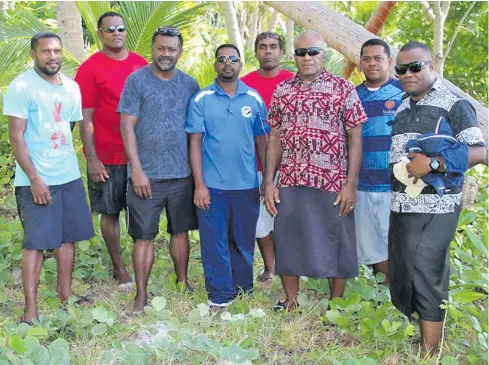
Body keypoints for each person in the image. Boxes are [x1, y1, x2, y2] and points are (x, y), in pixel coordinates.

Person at [389, 41, 486, 353]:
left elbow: (479, 151)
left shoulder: (454, 104)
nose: (407, 74)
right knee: (407, 271)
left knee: (427, 273)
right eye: (401, 69)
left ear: (431, 66)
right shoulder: (403, 106)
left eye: (415, 67)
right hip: (403, 204)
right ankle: (424, 339)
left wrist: (432, 164)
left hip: (437, 207)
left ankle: (432, 353)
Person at [264, 31, 367, 311]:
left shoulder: (344, 89)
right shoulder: (282, 90)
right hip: (290, 178)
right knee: (288, 238)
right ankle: (291, 300)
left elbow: (356, 138)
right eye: (300, 52)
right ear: (293, 56)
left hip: (332, 181)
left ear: (325, 54)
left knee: (337, 241)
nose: (306, 57)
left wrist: (351, 184)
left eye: (312, 52)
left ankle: (336, 305)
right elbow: (274, 137)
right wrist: (269, 182)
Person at [3, 32, 95, 324]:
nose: (52, 56)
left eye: (56, 51)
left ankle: (65, 295)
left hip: (68, 176)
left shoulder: (71, 88)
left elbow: (66, 127)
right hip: (36, 179)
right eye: (46, 51)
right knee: (35, 243)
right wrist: (34, 178)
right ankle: (30, 312)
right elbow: (16, 137)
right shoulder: (22, 87)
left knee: (67, 238)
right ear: (33, 54)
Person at [118, 27, 200, 315]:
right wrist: (137, 170)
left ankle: (182, 281)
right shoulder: (137, 80)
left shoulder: (190, 84)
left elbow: (196, 131)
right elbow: (126, 125)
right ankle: (140, 296)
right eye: (161, 48)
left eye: (172, 49)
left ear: (180, 51)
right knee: (144, 236)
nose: (166, 53)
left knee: (181, 233)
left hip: (181, 175)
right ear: (152, 49)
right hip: (146, 176)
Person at [186, 44, 268, 312]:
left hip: (246, 185)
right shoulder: (201, 99)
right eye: (222, 59)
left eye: (233, 59)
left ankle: (243, 289)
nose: (227, 63)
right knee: (214, 242)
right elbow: (195, 144)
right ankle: (220, 295)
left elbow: (262, 141)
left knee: (243, 240)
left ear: (241, 64)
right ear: (215, 65)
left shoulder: (254, 99)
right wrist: (199, 185)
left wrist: (267, 180)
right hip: (212, 187)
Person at [74, 12, 147, 288]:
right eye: (109, 29)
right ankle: (119, 268)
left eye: (120, 28)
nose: (116, 33)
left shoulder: (140, 64)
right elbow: (86, 117)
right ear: (101, 34)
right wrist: (92, 158)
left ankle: (142, 261)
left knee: (140, 212)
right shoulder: (90, 69)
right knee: (111, 211)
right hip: (107, 155)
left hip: (139, 155)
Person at [241, 32, 294, 282]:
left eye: (274, 47)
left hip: (292, 165)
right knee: (260, 220)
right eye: (263, 47)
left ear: (282, 52)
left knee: (289, 219)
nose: (268, 51)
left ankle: (290, 267)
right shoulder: (244, 84)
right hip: (255, 164)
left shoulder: (294, 82)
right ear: (256, 52)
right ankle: (270, 268)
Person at [355, 38, 404, 286]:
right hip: (361, 185)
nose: (372, 63)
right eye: (367, 59)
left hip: (395, 185)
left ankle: (403, 296)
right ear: (360, 63)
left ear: (389, 62)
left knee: (396, 243)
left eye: (378, 58)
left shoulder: (404, 93)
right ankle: (383, 294)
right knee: (372, 246)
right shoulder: (352, 95)